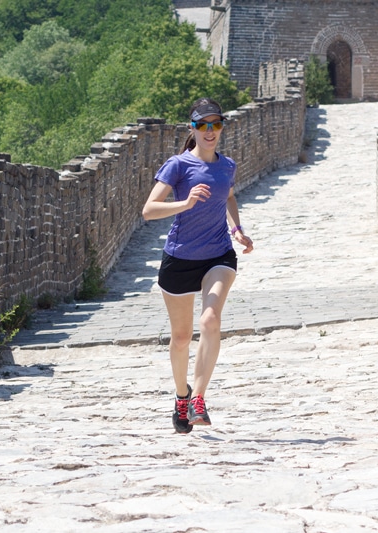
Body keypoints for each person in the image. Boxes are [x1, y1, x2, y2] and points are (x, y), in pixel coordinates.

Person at [142, 97, 253, 434]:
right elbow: (148, 210)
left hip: (218, 255)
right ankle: (181, 395)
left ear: (221, 127)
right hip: (179, 258)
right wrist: (186, 203)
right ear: (192, 128)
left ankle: (199, 398)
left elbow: (228, 195)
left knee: (210, 319)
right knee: (179, 338)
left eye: (216, 124)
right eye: (203, 125)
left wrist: (237, 229)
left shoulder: (227, 165)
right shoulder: (177, 166)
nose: (210, 131)